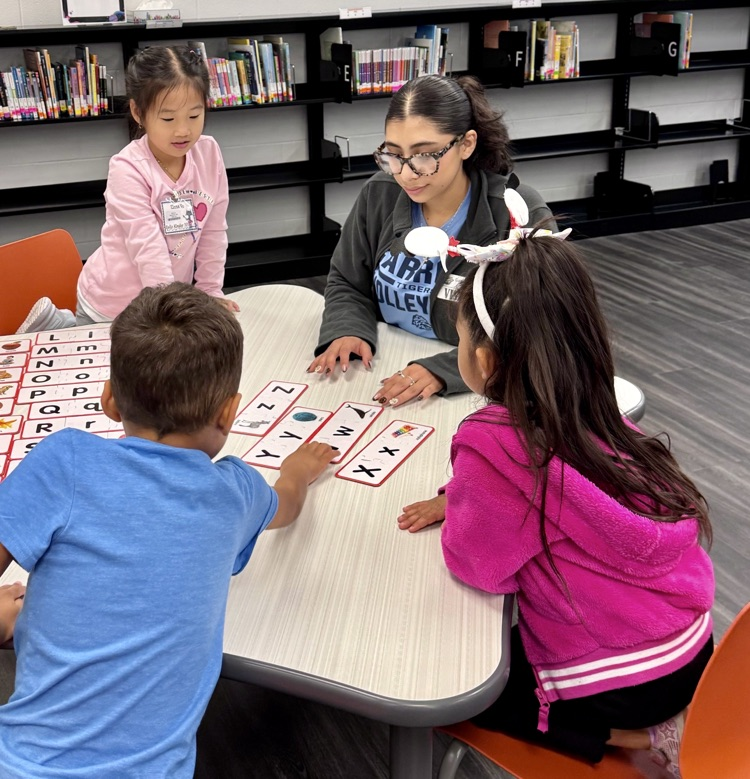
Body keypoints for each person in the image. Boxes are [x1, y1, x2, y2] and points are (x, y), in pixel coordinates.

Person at [397, 211, 715, 777]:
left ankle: (640, 738)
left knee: (466, 684)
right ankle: (671, 718)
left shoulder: (494, 443)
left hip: (623, 683)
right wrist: (460, 493)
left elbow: (479, 567)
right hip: (695, 650)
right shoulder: (598, 408)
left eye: (463, 337)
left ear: (486, 360)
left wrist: (465, 503)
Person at [0, 282, 336, 778]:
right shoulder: (235, 492)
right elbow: (285, 506)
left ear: (110, 399)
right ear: (228, 412)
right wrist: (296, 472)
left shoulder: (64, 459)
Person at [308, 74, 554, 407]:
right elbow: (347, 281)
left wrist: (444, 370)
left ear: (466, 144)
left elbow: (542, 325)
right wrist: (347, 328)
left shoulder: (515, 211)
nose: (406, 173)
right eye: (393, 155)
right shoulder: (379, 194)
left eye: (425, 156)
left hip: (478, 388)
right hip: (385, 367)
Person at [74, 45, 238, 325]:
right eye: (168, 118)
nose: (183, 130)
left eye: (194, 115)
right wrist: (172, 311)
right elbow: (148, 249)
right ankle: (60, 324)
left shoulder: (208, 153)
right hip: (111, 308)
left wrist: (208, 290)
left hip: (167, 300)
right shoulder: (127, 168)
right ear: (138, 113)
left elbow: (213, 230)